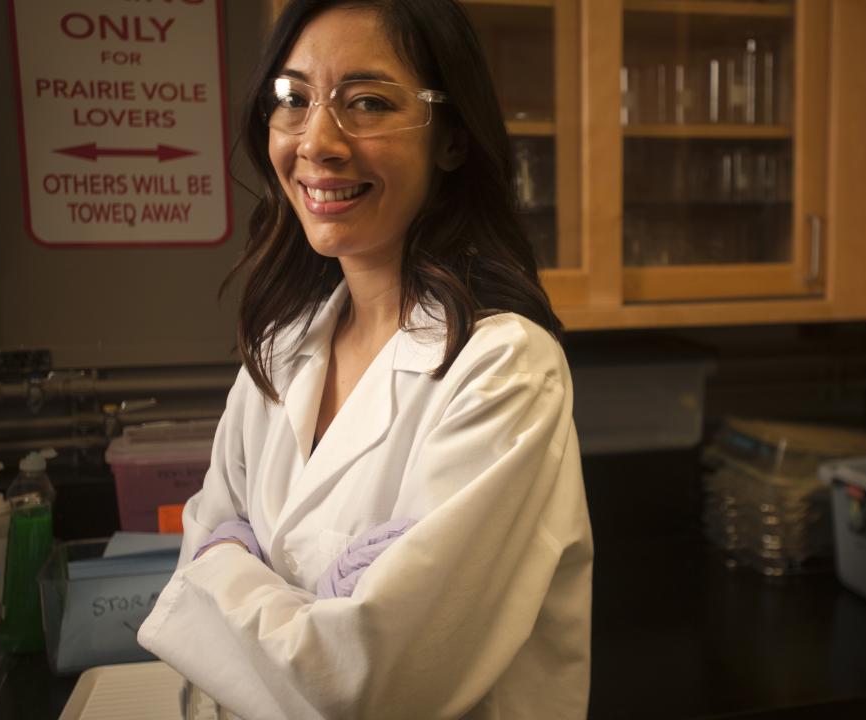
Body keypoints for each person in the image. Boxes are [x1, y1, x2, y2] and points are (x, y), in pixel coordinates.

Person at [136, 1, 593, 718]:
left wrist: (222, 565)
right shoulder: (282, 350)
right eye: (293, 99)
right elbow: (203, 587)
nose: (317, 141)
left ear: (452, 139)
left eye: (368, 103)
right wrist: (313, 606)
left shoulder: (503, 369)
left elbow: (371, 685)